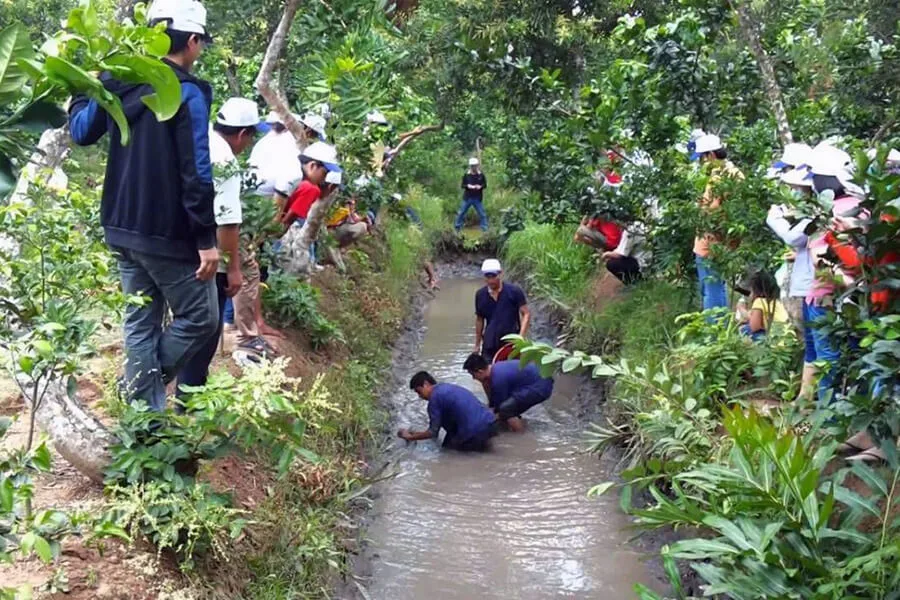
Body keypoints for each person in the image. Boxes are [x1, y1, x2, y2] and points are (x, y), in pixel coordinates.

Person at [68, 0, 219, 411]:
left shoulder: (118, 81)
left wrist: (84, 89)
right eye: (200, 43)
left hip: (120, 225)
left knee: (140, 320)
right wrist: (207, 238)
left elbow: (81, 132)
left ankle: (143, 418)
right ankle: (138, 394)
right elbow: (197, 173)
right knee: (202, 318)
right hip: (168, 233)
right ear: (191, 41)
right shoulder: (187, 93)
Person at [177, 98, 269, 396]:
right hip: (207, 253)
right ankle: (189, 398)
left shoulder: (196, 138)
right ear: (242, 134)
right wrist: (232, 269)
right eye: (252, 135)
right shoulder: (226, 161)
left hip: (174, 244)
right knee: (206, 326)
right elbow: (228, 223)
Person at [767, 165, 818, 396]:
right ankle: (804, 398)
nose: (793, 192)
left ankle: (814, 401)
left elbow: (794, 237)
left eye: (796, 188)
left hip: (814, 287)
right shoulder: (808, 214)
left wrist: (775, 219)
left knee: (818, 345)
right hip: (807, 285)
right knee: (811, 344)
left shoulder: (817, 214)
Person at [691, 133, 744, 314]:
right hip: (721, 242)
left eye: (702, 158)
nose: (701, 163)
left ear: (711, 156)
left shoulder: (721, 178)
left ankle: (713, 335)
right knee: (715, 289)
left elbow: (711, 212)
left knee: (712, 292)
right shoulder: (734, 174)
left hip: (710, 244)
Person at [279, 142, 342, 272]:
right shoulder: (311, 189)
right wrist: (277, 234)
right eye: (324, 173)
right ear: (313, 165)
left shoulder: (291, 170)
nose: (323, 178)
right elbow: (290, 218)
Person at [398, 371, 499, 451]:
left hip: (474, 432)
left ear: (426, 384)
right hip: (491, 423)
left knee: (448, 452)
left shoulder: (434, 399)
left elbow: (432, 433)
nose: (420, 396)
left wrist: (409, 437)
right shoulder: (447, 387)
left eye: (419, 391)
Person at [463, 354, 554, 432]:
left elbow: (498, 408)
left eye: (473, 375)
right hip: (541, 380)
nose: (474, 379)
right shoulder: (496, 368)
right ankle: (514, 423)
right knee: (507, 407)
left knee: (506, 409)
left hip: (541, 387)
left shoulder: (498, 379)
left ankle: (520, 437)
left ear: (480, 372)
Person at [474, 259, 530, 361]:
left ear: (500, 274)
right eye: (487, 277)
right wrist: (477, 344)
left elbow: (526, 314)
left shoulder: (514, 292)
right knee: (489, 373)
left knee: (512, 372)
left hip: (511, 344)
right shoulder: (480, 295)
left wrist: (521, 338)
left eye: (493, 276)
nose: (491, 280)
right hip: (489, 343)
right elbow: (479, 319)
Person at [737, 271, 790, 340]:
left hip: (775, 341)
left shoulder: (759, 301)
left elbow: (755, 327)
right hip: (786, 338)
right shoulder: (776, 302)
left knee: (744, 329)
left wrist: (741, 310)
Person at [454, 157, 488, 232]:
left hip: (477, 198)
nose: (474, 167)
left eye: (475, 165)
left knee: (482, 214)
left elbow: (485, 185)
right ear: (470, 166)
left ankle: (485, 230)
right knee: (461, 213)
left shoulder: (481, 175)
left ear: (477, 165)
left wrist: (480, 186)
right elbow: (463, 185)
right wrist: (468, 186)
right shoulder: (466, 175)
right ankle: (457, 228)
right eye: (472, 166)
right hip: (467, 198)